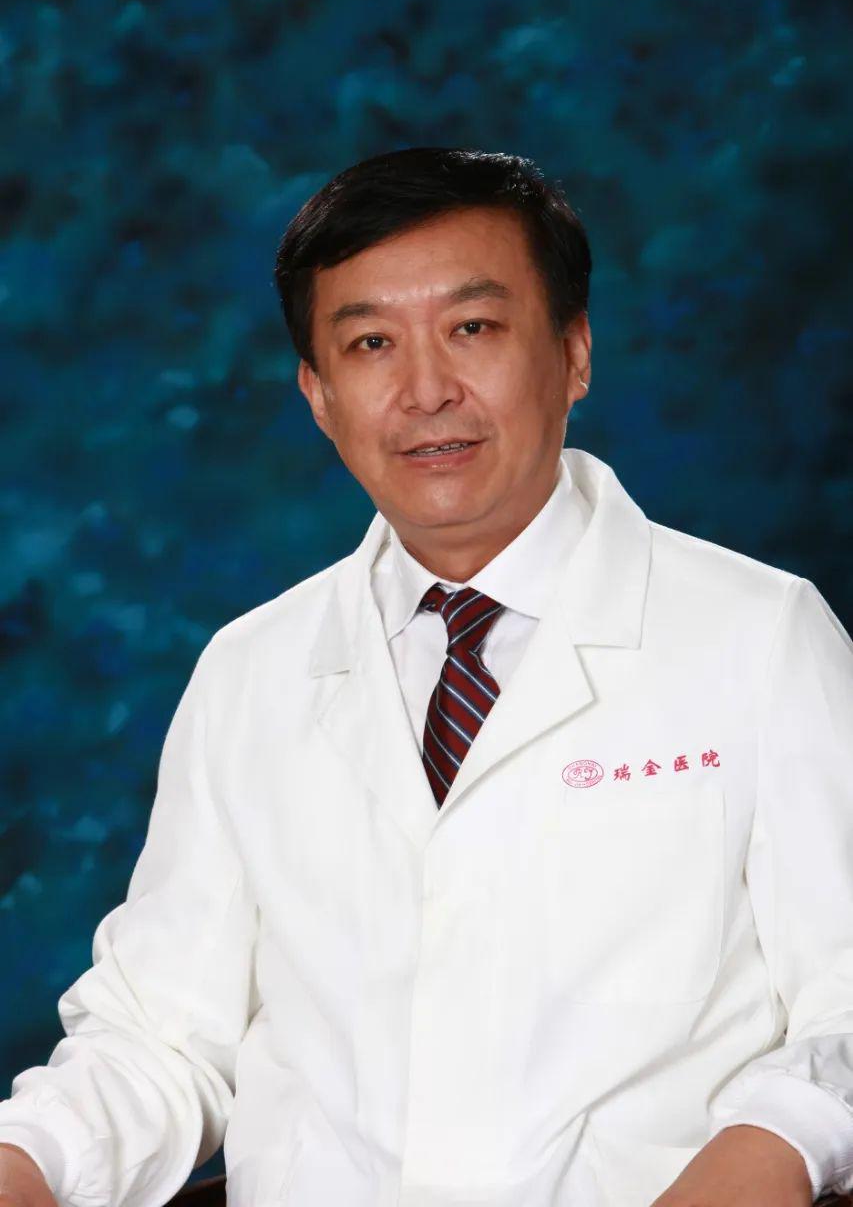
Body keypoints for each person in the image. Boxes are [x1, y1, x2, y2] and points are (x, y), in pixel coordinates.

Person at [1, 147, 852, 1207]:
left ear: (574, 353)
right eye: (369, 344)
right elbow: (161, 1037)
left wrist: (770, 1150)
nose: (425, 392)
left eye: (473, 328)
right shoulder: (251, 670)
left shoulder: (760, 636)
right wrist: (26, 1159)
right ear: (318, 394)